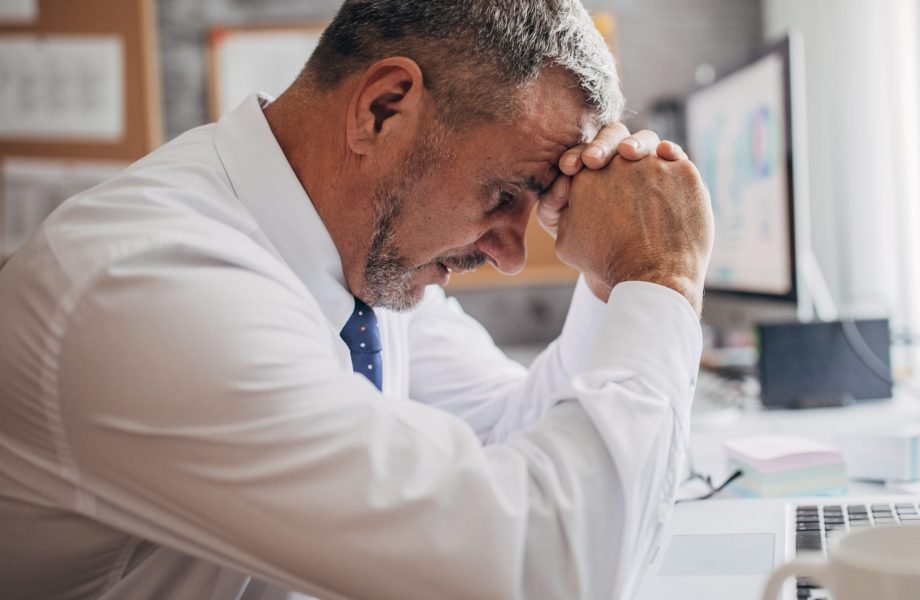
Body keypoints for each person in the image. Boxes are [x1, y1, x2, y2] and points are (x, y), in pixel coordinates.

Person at [0, 1, 714, 599]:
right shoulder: (153, 288)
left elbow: (506, 430)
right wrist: (660, 278)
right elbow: (544, 568)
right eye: (503, 196)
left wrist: (612, 277)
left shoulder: (357, 256)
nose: (507, 255)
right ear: (383, 108)